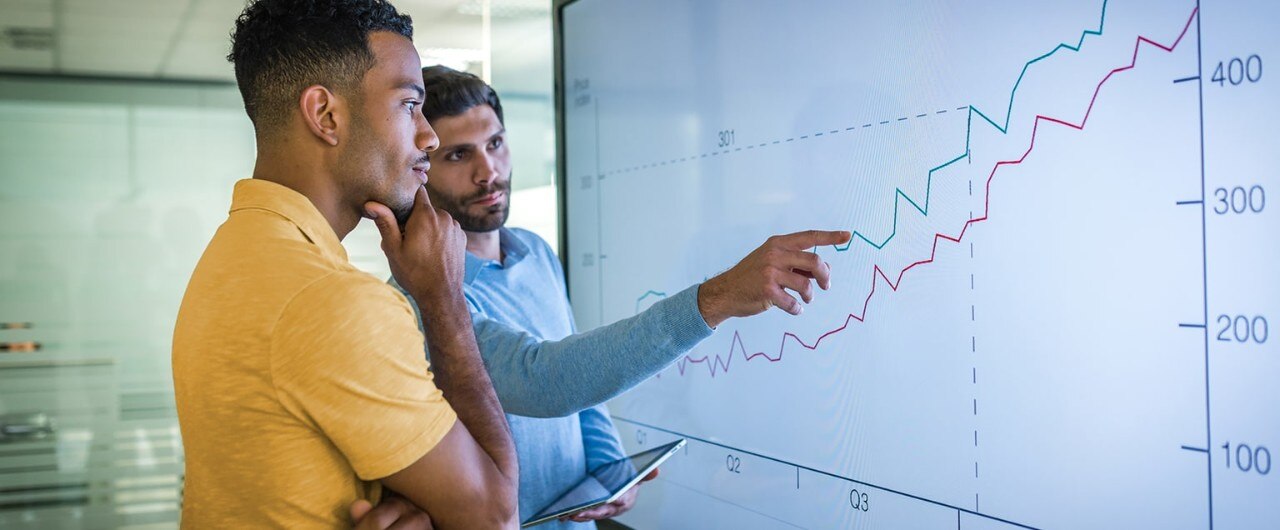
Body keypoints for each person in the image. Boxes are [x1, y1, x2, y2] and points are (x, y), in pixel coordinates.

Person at [394, 66, 852, 527]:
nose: (487, 171)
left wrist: (610, 471)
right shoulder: (421, 293)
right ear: (422, 167)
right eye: (458, 155)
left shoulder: (534, 251)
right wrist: (716, 298)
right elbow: (545, 380)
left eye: (495, 144)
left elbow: (580, 387)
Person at [172, 2, 518, 528]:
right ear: (325, 116)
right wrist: (442, 297)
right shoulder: (332, 300)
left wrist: (426, 507)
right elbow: (494, 514)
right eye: (409, 105)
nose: (428, 136)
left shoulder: (232, 257)